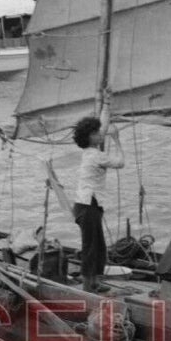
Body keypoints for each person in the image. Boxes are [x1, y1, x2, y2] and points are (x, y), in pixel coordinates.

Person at [72, 114, 124, 288]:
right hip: (88, 205)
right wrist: (116, 140)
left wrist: (106, 104)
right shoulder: (96, 156)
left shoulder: (89, 153)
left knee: (98, 245)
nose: (100, 134)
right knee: (91, 246)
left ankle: (94, 282)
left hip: (87, 204)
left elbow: (103, 126)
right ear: (89, 137)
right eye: (95, 132)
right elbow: (120, 163)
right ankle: (88, 286)